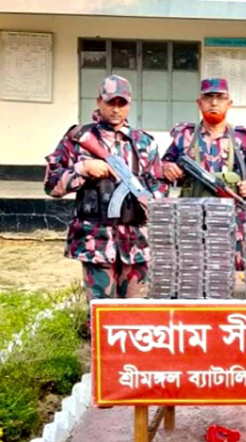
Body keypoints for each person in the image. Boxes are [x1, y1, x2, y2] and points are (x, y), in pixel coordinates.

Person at [44, 74, 168, 320]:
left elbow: (159, 182)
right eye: (111, 102)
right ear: (99, 101)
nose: (116, 109)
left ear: (129, 104)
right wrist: (83, 168)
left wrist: (150, 198)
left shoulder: (144, 142)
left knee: (136, 314)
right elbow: (51, 186)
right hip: (97, 240)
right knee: (101, 314)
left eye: (122, 103)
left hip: (137, 241)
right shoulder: (79, 140)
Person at [162, 77, 246, 270]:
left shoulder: (242, 139)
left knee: (230, 277)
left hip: (231, 225)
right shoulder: (185, 136)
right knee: (191, 274)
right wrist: (167, 168)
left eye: (220, 98)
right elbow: (164, 165)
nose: (214, 103)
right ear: (199, 103)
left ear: (229, 103)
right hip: (192, 223)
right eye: (208, 98)